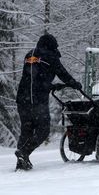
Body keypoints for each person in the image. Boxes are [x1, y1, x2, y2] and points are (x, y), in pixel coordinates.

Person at [15, 33, 82, 170]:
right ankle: (24, 152)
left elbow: (33, 78)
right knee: (43, 130)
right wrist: (74, 83)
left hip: (23, 99)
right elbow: (62, 73)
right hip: (38, 100)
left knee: (26, 130)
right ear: (52, 46)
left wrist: (50, 86)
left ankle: (21, 160)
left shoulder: (29, 55)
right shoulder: (51, 56)